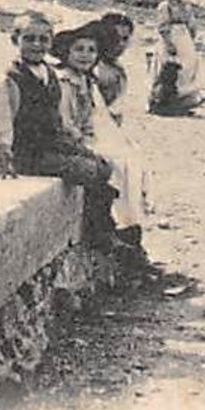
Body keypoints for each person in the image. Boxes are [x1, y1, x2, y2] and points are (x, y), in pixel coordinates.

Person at [0, 12, 117, 249]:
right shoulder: (9, 78)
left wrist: (77, 144)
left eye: (43, 40)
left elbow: (57, 119)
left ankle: (105, 227)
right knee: (88, 170)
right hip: (27, 153)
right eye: (29, 39)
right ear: (15, 40)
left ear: (51, 42)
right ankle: (98, 235)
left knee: (103, 164)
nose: (36, 45)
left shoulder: (49, 73)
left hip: (51, 144)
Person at [52, 22, 150, 260]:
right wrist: (83, 142)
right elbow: (66, 121)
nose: (85, 56)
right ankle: (112, 229)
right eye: (79, 49)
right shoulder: (65, 81)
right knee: (112, 165)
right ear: (66, 52)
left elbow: (96, 119)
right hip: (69, 140)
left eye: (91, 51)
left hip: (85, 135)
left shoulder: (86, 80)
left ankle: (130, 230)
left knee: (131, 159)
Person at [94, 11, 136, 116]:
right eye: (114, 38)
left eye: (125, 39)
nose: (120, 44)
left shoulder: (117, 68)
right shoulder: (92, 69)